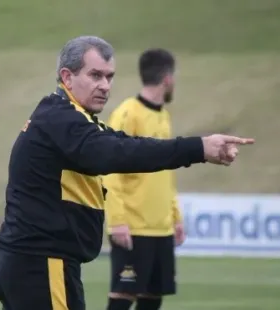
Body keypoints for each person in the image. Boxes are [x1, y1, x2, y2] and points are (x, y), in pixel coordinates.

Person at [0, 35, 254, 310]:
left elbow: (126, 143)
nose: (105, 86)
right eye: (95, 75)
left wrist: (198, 147)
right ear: (67, 77)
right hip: (41, 262)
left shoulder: (67, 116)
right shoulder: (63, 120)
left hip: (37, 260)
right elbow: (118, 154)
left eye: (109, 77)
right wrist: (198, 149)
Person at [103, 48, 186, 310]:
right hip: (133, 227)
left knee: (152, 299)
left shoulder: (163, 116)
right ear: (168, 78)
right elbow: (109, 170)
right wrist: (117, 221)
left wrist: (175, 216)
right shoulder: (128, 113)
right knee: (122, 298)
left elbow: (166, 171)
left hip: (160, 228)